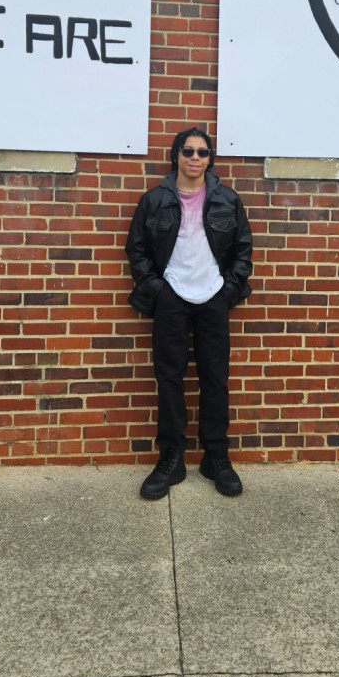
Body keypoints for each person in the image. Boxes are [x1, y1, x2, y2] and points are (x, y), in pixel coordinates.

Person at [126, 127, 253, 500]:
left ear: (210, 159)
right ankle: (171, 458)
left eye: (202, 152)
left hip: (214, 296)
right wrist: (158, 290)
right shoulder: (154, 200)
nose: (195, 158)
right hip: (171, 298)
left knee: (215, 379)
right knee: (169, 379)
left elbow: (243, 250)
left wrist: (227, 290)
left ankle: (216, 458)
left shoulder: (228, 200)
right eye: (188, 151)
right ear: (176, 155)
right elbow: (137, 250)